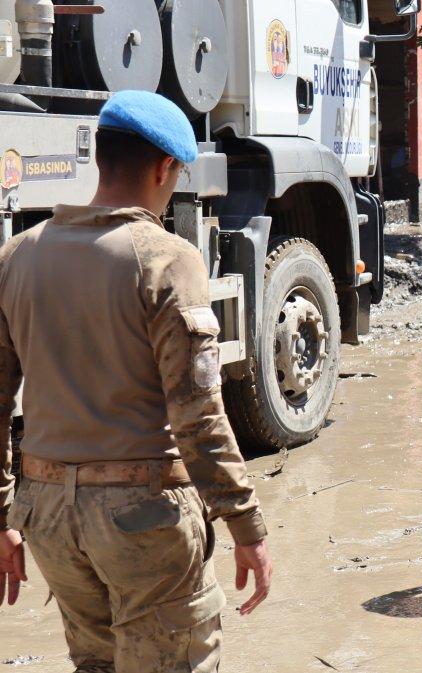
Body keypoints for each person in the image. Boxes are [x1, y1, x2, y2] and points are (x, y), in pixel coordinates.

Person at [0, 90, 271, 672]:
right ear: (163, 167)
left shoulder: (17, 256)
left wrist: (4, 517)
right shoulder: (166, 259)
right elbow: (198, 415)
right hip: (142, 520)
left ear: (101, 159)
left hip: (47, 517)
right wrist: (245, 524)